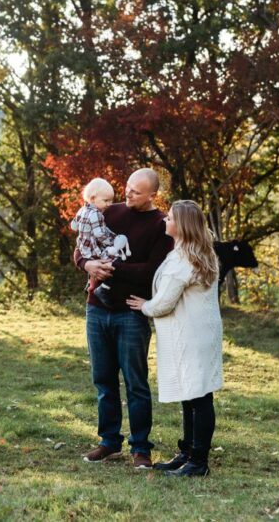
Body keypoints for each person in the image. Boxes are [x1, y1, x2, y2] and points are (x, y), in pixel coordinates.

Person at [75, 168, 173, 470]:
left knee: (135, 383)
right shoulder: (107, 212)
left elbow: (152, 270)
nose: (127, 194)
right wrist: (90, 264)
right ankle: (109, 442)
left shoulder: (162, 225)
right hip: (97, 308)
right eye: (127, 187)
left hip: (131, 313)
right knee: (103, 380)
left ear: (152, 195)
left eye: (136, 191)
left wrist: (113, 268)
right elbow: (80, 248)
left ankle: (141, 447)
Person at [126, 200, 222, 477]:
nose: (164, 221)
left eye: (169, 218)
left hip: (191, 334)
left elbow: (164, 303)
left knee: (199, 396)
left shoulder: (185, 260)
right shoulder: (192, 253)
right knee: (192, 393)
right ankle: (188, 452)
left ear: (182, 225)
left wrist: (144, 305)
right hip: (197, 332)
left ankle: (198, 462)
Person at [71, 178, 131, 305]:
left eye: (111, 200)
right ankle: (103, 289)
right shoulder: (96, 214)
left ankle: (91, 283)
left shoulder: (82, 210)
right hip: (93, 249)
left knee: (98, 263)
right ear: (93, 199)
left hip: (83, 248)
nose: (109, 204)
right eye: (106, 200)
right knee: (116, 258)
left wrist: (84, 230)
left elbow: (73, 226)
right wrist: (113, 241)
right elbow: (100, 234)